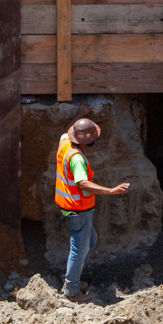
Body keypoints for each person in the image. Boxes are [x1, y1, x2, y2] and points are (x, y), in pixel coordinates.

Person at [55, 118, 129, 300]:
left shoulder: (65, 141)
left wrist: (80, 114)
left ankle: (73, 279)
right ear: (88, 141)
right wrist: (111, 191)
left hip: (71, 205)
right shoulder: (77, 159)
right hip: (78, 208)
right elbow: (83, 183)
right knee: (79, 249)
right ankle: (71, 290)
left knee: (90, 242)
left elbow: (67, 130)